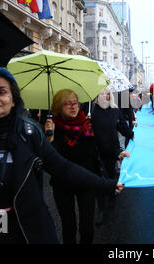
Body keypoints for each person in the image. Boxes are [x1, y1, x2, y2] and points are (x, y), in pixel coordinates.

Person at [0, 66, 123, 244]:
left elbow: (63, 168)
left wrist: (105, 184)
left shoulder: (29, 134)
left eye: (2, 91)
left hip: (19, 233)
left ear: (13, 100)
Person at [43, 89, 103, 244]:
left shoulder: (87, 125)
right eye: (67, 103)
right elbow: (50, 162)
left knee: (87, 228)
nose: (73, 106)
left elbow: (96, 151)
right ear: (58, 107)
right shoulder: (52, 128)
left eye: (75, 102)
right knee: (68, 227)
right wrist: (49, 137)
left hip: (86, 181)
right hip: (63, 184)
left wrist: (117, 153)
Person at [91, 88, 132, 224]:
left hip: (112, 152)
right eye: (101, 93)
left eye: (107, 93)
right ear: (97, 96)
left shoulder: (115, 110)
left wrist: (132, 133)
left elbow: (122, 127)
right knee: (98, 181)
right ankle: (101, 209)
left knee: (109, 175)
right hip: (96, 153)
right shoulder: (92, 112)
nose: (104, 96)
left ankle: (111, 196)